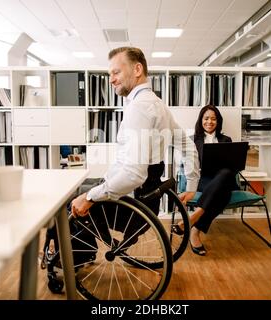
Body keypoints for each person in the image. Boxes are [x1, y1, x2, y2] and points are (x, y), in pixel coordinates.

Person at [71, 47, 199, 240]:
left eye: (116, 72)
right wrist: (191, 184)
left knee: (69, 199)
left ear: (137, 70)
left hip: (129, 204)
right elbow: (188, 146)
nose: (111, 80)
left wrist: (89, 197)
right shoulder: (157, 104)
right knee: (81, 186)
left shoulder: (139, 108)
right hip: (145, 199)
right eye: (110, 74)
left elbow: (133, 175)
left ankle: (71, 257)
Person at [173, 105, 238, 256]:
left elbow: (233, 165)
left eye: (214, 119)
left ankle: (193, 220)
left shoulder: (226, 140)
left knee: (226, 173)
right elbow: (188, 166)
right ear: (201, 120)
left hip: (223, 178)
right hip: (203, 179)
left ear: (218, 121)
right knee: (223, 194)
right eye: (206, 118)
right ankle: (195, 231)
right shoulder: (192, 140)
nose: (210, 122)